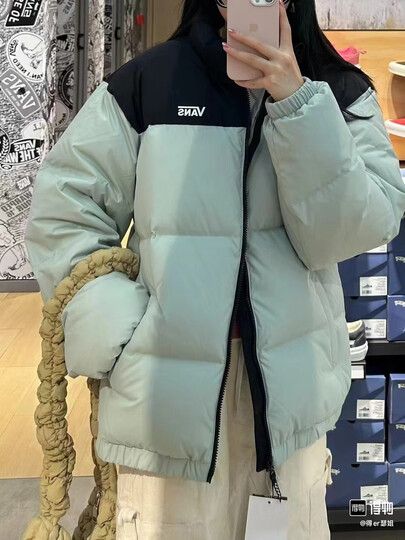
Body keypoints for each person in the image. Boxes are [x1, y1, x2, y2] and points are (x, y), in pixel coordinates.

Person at [24, 0, 405, 538]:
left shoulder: (339, 92)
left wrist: (296, 101)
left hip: (289, 403)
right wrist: (124, 335)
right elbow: (65, 213)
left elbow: (352, 231)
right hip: (166, 402)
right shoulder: (148, 83)